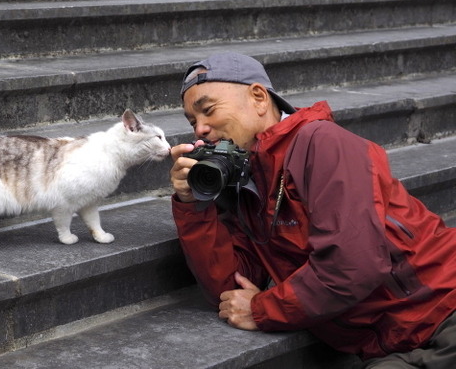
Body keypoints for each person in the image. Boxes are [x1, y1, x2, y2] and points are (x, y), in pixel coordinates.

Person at [169, 52, 456, 368]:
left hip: (443, 310)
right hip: (388, 345)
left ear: (258, 98)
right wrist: (192, 204)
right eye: (193, 121)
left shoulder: (321, 143)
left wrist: (265, 308)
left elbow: (354, 265)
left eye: (207, 111)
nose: (200, 129)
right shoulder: (247, 179)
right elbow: (229, 291)